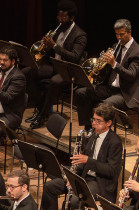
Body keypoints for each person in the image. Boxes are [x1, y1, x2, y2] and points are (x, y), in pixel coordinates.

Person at [40, 103, 122, 210]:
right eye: (93, 119)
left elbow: (111, 170)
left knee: (75, 199)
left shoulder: (115, 142)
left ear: (108, 123)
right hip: (83, 176)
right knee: (50, 186)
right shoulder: (92, 135)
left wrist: (88, 161)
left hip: (100, 182)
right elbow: (81, 162)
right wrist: (72, 176)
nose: (94, 123)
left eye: (98, 121)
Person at [25, 1, 88, 129]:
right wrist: (45, 46)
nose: (60, 20)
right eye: (59, 16)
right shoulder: (58, 29)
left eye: (63, 17)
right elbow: (53, 50)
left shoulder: (80, 35)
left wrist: (54, 46)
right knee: (27, 72)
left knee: (54, 81)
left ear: (72, 17)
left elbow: (75, 57)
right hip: (55, 66)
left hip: (69, 70)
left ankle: (42, 117)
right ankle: (40, 108)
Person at [75, 19, 139, 130]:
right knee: (81, 92)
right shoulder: (116, 45)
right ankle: (88, 129)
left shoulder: (138, 52)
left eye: (122, 34)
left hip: (124, 93)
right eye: (117, 34)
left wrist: (114, 64)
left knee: (105, 105)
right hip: (109, 88)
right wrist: (103, 64)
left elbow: (131, 75)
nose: (119, 37)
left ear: (129, 32)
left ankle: (102, 133)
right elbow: (109, 70)